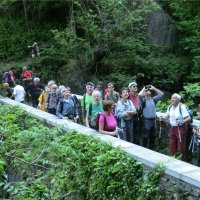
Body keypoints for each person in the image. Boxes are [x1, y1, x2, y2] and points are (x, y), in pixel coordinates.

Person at [164, 93, 191, 160]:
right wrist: (162, 117)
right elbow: (167, 115)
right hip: (172, 127)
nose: (172, 99)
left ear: (178, 100)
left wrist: (181, 122)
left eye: (174, 98)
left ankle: (182, 159)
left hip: (180, 128)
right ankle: (172, 157)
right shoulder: (170, 106)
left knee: (181, 144)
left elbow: (188, 118)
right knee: (172, 143)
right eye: (171, 98)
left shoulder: (181, 107)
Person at [139, 85, 164, 149]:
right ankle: (144, 151)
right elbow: (139, 95)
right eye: (146, 90)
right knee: (145, 137)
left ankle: (151, 150)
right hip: (146, 121)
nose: (148, 91)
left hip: (153, 120)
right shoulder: (143, 100)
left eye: (149, 90)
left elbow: (161, 94)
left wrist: (154, 88)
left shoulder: (153, 99)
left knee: (153, 137)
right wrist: (144, 89)